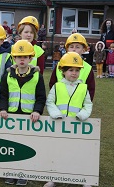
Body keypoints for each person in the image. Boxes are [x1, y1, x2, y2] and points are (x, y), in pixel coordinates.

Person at [0, 40, 46, 186]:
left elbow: (41, 97)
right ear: (14, 58)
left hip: (29, 116)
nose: (22, 59)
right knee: (11, 145)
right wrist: (3, 109)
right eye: (19, 57)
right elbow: (3, 95)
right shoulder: (8, 74)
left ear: (31, 58)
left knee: (26, 145)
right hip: (11, 115)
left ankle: (23, 174)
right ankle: (11, 173)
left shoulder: (37, 76)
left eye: (25, 56)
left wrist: (37, 111)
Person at [44, 52, 92, 187]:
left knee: (78, 152)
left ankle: (83, 179)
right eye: (70, 70)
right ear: (63, 71)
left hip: (77, 125)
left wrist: (81, 116)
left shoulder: (83, 87)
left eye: (77, 70)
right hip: (59, 125)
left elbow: (88, 104)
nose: (74, 73)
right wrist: (56, 114)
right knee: (56, 152)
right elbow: (50, 102)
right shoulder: (57, 86)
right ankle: (52, 178)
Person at [49, 33, 95, 101]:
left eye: (77, 47)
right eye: (71, 47)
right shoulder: (59, 65)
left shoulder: (88, 68)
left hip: (78, 105)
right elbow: (52, 84)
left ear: (83, 50)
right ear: (67, 49)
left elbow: (91, 90)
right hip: (60, 104)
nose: (74, 49)